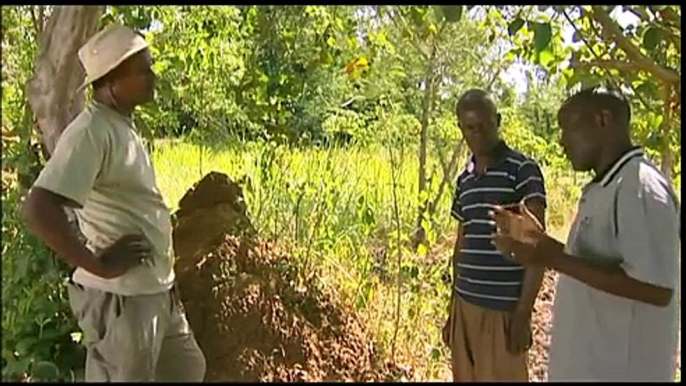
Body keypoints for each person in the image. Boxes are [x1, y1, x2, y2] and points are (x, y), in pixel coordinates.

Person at [21, 24, 206, 382]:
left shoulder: (120, 126)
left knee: (186, 369)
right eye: (143, 70)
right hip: (124, 300)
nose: (152, 77)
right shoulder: (91, 132)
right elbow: (38, 208)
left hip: (154, 292)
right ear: (111, 82)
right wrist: (97, 265)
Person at [490, 87, 680, 381]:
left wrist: (553, 257)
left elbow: (656, 289)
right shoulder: (608, 186)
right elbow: (591, 266)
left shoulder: (640, 187)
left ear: (603, 120)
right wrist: (537, 242)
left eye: (568, 128)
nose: (562, 141)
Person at [442, 88, 547, 381]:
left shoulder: (522, 171)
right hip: (466, 304)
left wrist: (523, 314)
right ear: (461, 128)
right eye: (470, 128)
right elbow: (461, 245)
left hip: (502, 309)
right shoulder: (465, 179)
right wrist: (453, 310)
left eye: (484, 125)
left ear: (497, 120)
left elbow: (538, 247)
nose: (477, 134)